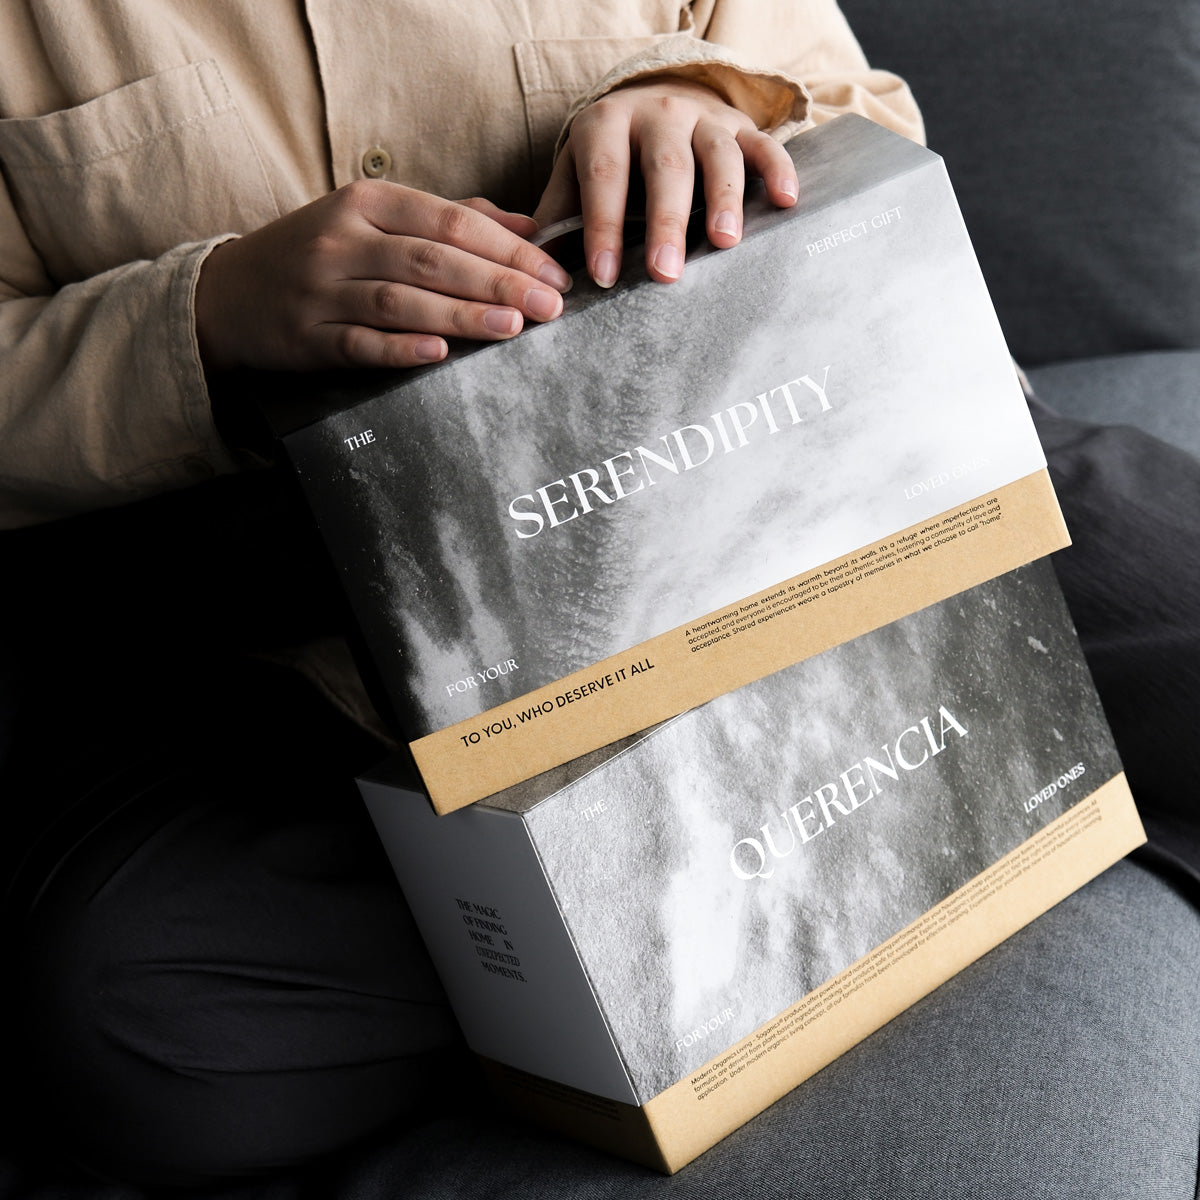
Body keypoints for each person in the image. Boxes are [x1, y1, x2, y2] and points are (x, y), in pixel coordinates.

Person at [1, 1, 1196, 1191]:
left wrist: (702, 100)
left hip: (813, 465)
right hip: (338, 655)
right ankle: (914, 781)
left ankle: (660, 892)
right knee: (129, 1022)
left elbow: (869, 119)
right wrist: (205, 314)